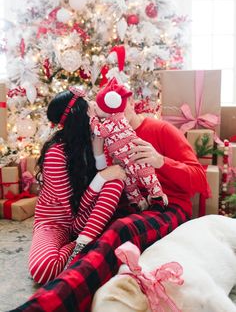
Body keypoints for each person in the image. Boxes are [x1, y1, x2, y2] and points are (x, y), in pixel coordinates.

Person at [10, 94, 210, 312]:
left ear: (132, 104)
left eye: (119, 105)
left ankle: (51, 300)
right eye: (104, 108)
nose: (114, 112)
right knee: (112, 217)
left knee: (120, 227)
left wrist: (160, 161)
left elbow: (200, 180)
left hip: (167, 204)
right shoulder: (101, 138)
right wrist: (102, 174)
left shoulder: (161, 130)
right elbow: (94, 186)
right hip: (97, 213)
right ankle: (82, 254)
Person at [28, 86, 126, 283]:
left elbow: (107, 178)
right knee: (43, 270)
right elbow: (71, 210)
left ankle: (83, 243)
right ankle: (82, 246)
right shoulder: (56, 154)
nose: (93, 107)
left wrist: (99, 155)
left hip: (85, 222)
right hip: (57, 222)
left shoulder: (95, 137)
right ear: (79, 114)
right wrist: (101, 178)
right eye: (87, 104)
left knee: (115, 181)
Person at [90, 77, 167, 211]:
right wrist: (98, 153)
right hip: (124, 164)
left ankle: (157, 198)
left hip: (136, 160)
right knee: (130, 183)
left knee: (146, 177)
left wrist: (92, 117)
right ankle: (137, 202)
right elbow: (104, 170)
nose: (97, 110)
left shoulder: (111, 123)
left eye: (99, 107)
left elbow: (99, 130)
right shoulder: (113, 124)